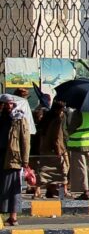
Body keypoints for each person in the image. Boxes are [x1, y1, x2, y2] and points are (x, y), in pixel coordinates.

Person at [0, 95, 30, 226]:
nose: (8, 106)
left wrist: (25, 161)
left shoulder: (19, 119)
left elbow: (25, 141)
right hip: (1, 157)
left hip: (13, 159)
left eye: (10, 104)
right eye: (6, 104)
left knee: (12, 189)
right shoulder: (1, 118)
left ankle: (13, 217)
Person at [37, 101, 70, 199]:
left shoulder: (47, 118)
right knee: (62, 170)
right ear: (58, 110)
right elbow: (56, 137)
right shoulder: (57, 120)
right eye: (62, 110)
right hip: (56, 149)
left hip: (45, 148)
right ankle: (62, 193)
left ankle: (46, 191)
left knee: (44, 171)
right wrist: (59, 151)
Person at [67, 108, 89, 200]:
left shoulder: (78, 113)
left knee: (81, 167)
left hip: (79, 143)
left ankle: (85, 191)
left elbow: (72, 128)